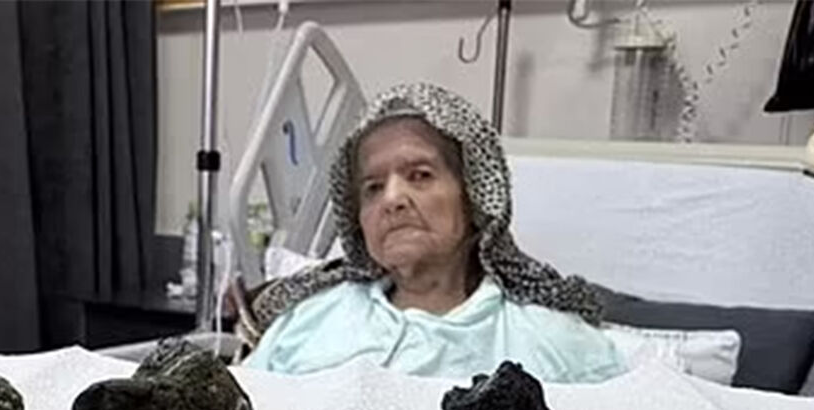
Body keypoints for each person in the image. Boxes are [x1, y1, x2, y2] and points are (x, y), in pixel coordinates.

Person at [239, 83, 625, 383]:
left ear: (474, 198)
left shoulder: (553, 341)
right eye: (373, 187)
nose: (392, 199)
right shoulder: (307, 323)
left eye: (420, 176)